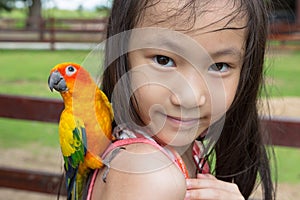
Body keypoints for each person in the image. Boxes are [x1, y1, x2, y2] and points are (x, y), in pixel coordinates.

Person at [84, 0, 276, 199]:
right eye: (163, 60)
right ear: (122, 57)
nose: (191, 97)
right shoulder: (150, 176)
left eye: (219, 66)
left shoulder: (188, 151)